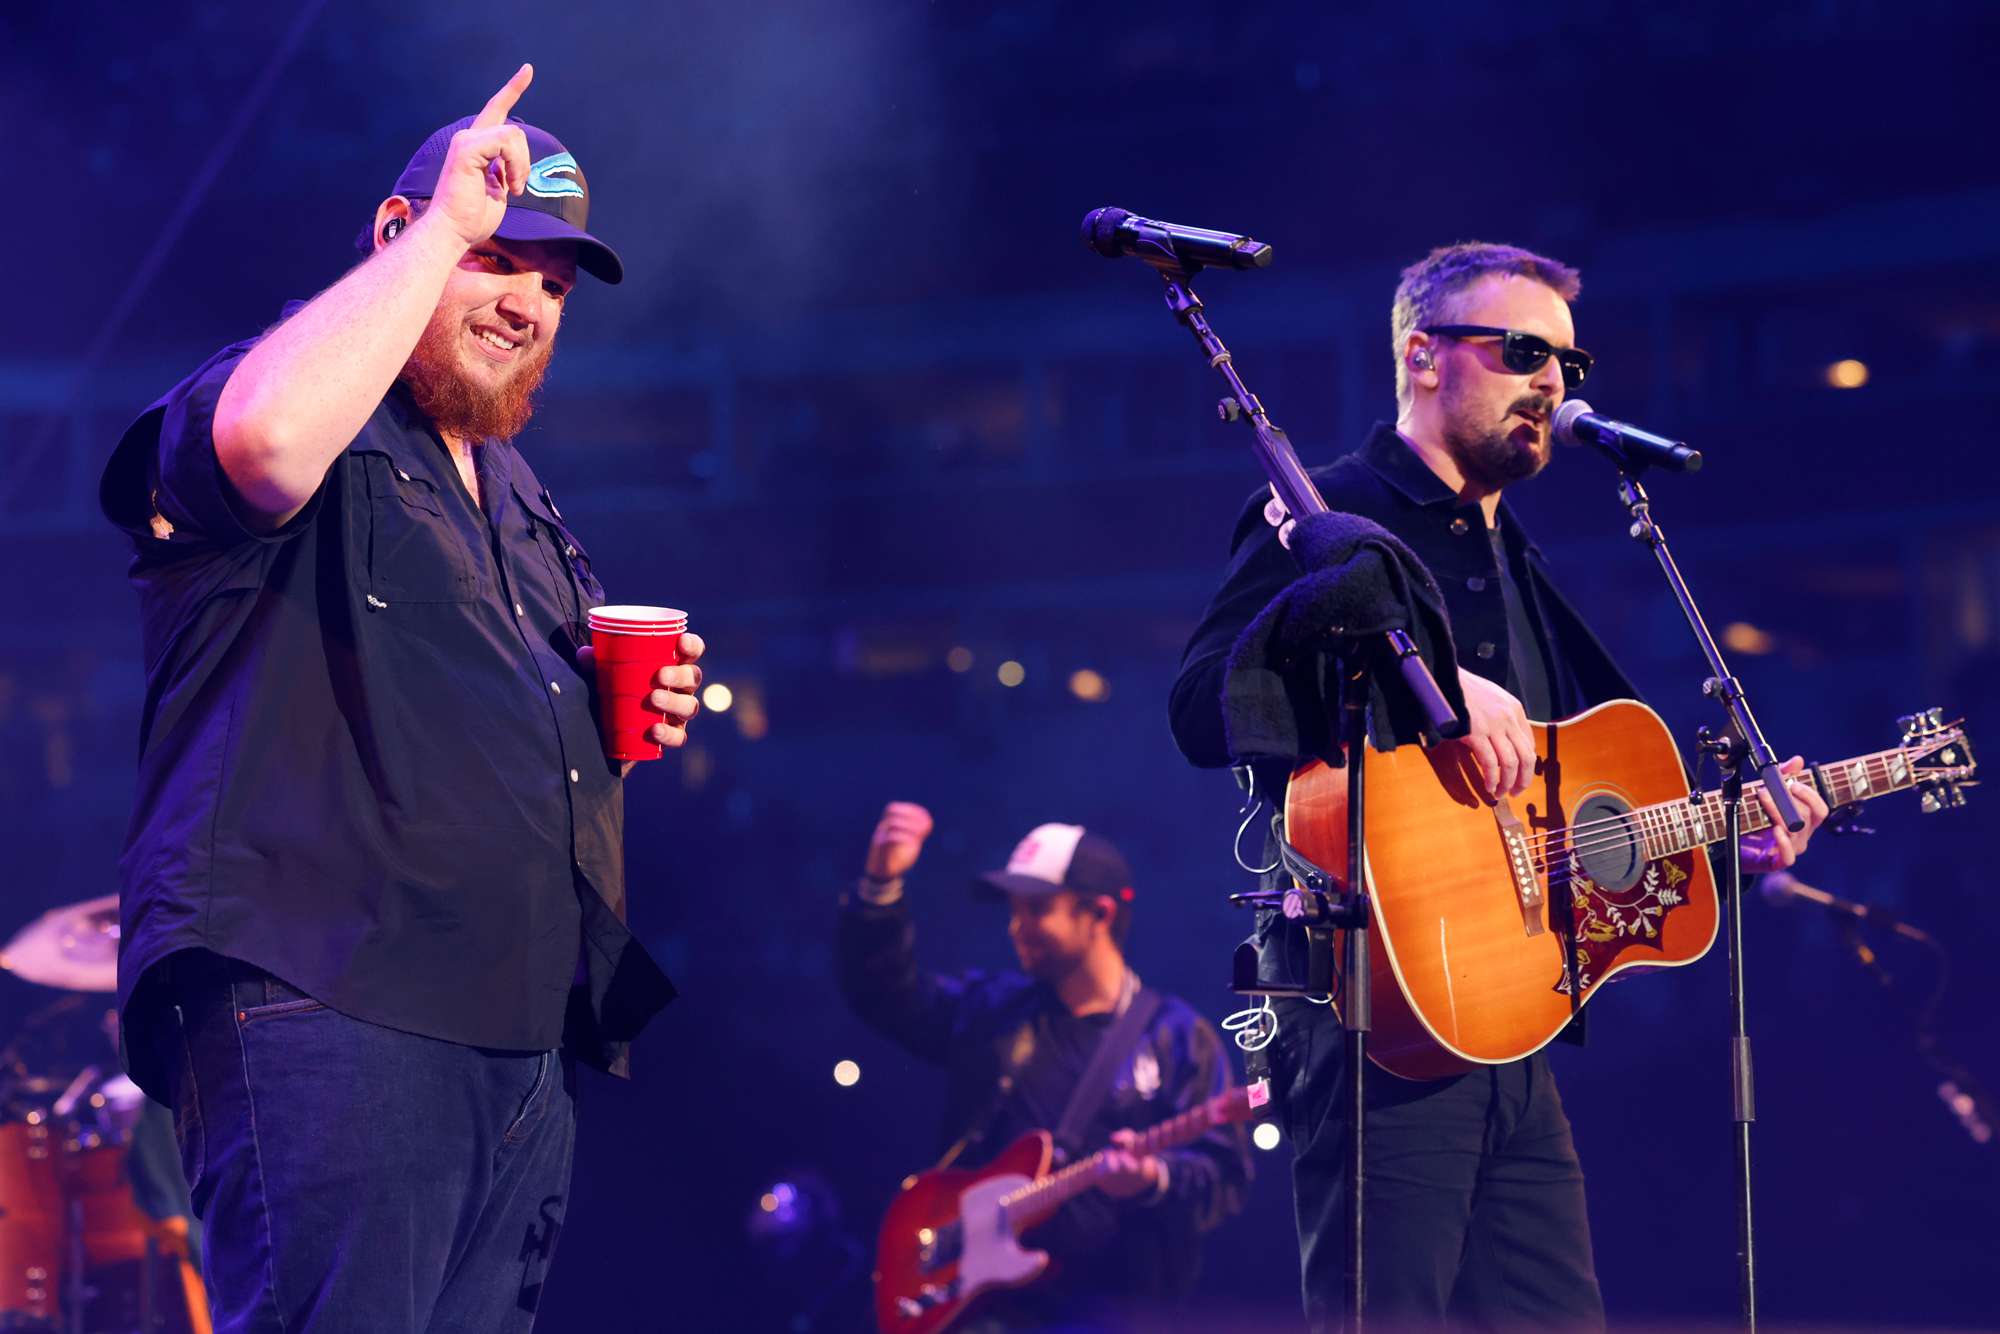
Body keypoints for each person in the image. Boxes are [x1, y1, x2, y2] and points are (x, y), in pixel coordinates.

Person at [97, 65, 693, 1333]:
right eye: (499, 255)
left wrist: (619, 724)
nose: (528, 298)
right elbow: (257, 445)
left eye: (552, 280)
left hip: (519, 1030)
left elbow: (504, 745)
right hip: (329, 994)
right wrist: (443, 234)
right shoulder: (307, 407)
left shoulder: (528, 505)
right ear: (397, 231)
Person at [1168, 241, 1830, 1330]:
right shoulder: (1326, 509)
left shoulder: (1511, 551)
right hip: (1372, 1008)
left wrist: (1726, 841)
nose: (1552, 386)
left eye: (1568, 363)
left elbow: (1567, 807)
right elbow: (1202, 706)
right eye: (1522, 350)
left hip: (1508, 1014)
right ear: (1422, 357)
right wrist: (1418, 657)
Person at [837, 802, 1252, 1332]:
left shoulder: (1177, 1038)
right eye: (1013, 910)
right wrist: (880, 887)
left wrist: (1155, 1179)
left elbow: (1226, 1177)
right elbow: (885, 996)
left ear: (1098, 914)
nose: (1016, 927)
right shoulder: (993, 1011)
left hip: (1114, 1313)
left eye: (1037, 909)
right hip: (981, 1312)